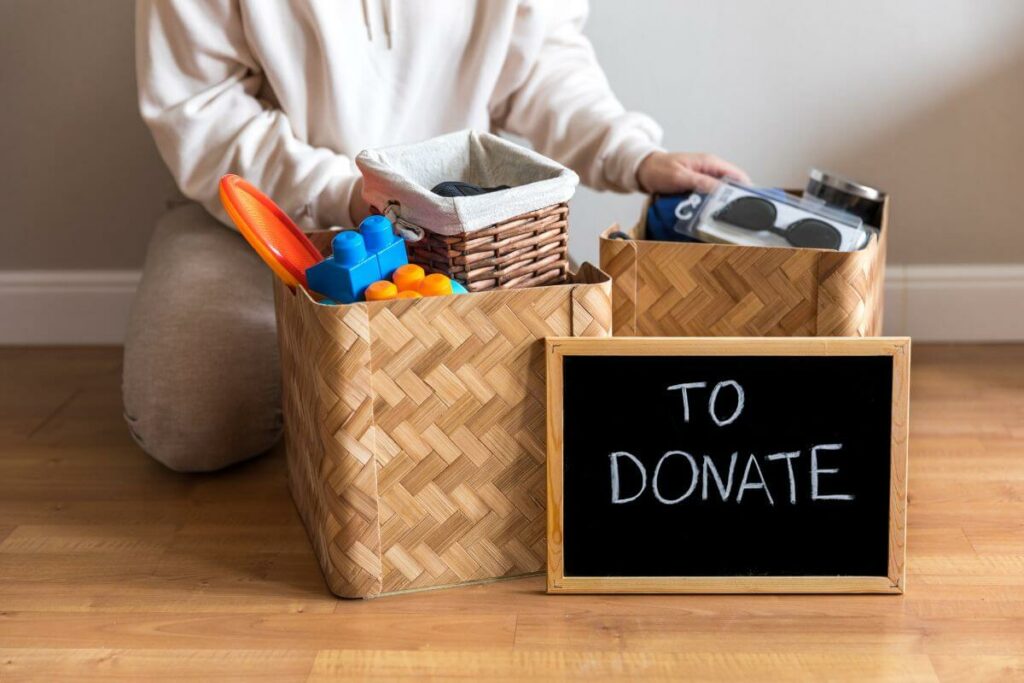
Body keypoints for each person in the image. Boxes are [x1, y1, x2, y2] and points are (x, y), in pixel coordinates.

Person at [128, 0, 749, 472]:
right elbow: (200, 107)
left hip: (464, 225)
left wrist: (635, 156)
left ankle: (335, 403)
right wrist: (358, 195)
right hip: (273, 212)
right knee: (191, 415)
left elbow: (542, 66)